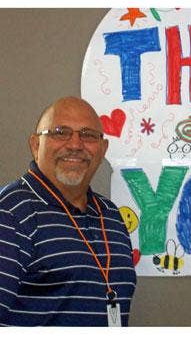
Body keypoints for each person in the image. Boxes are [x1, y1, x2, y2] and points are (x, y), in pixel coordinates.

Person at [0, 96, 136, 326]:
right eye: (60, 132)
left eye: (88, 135)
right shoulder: (10, 212)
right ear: (36, 145)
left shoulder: (111, 216)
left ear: (103, 149)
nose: (75, 144)